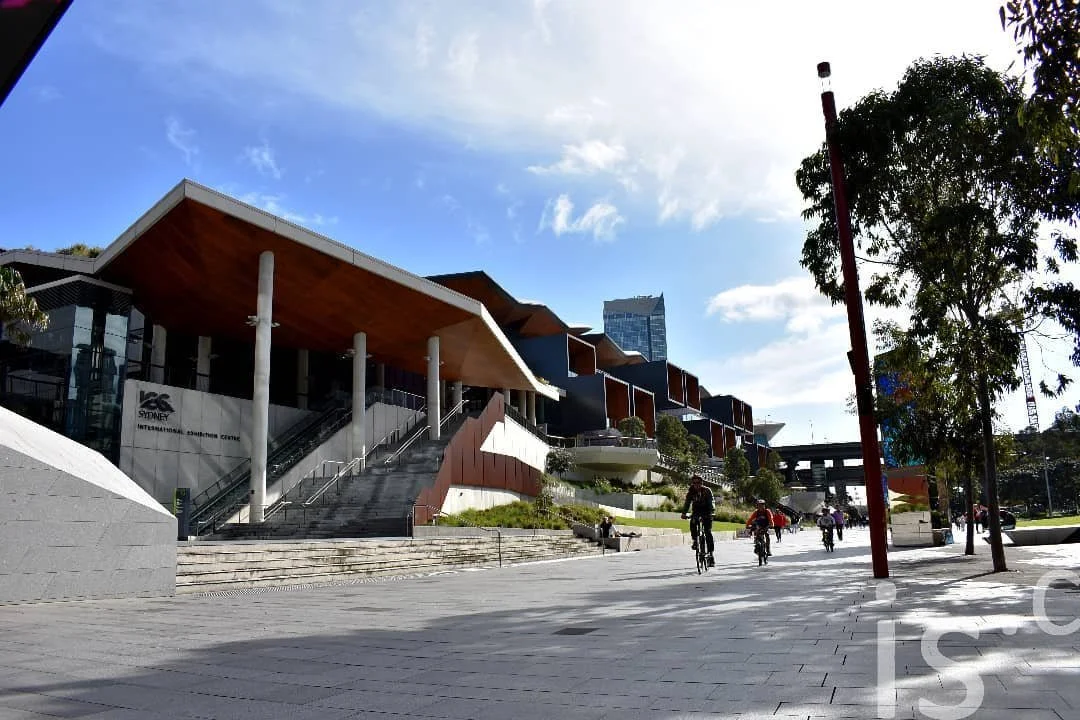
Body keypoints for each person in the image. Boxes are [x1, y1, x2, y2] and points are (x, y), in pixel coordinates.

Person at [680, 475, 715, 566]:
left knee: (707, 532)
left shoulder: (707, 491)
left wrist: (712, 512)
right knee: (693, 522)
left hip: (707, 511)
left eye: (698, 483)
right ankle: (695, 540)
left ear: (702, 483)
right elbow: (687, 503)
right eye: (694, 483)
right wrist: (684, 513)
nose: (696, 485)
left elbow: (711, 502)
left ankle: (711, 555)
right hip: (696, 511)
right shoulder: (691, 492)